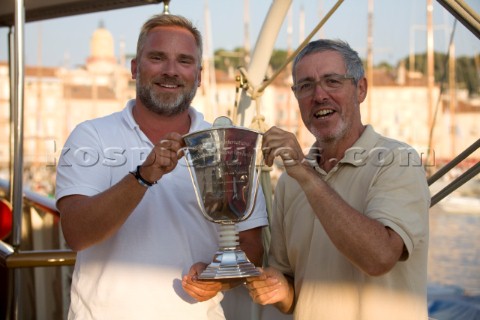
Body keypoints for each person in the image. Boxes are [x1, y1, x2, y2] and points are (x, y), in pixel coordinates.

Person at [55, 14, 268, 320]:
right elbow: (75, 233)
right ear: (134, 68)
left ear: (199, 75)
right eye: (157, 58)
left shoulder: (227, 145)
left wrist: (218, 278)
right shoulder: (91, 136)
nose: (170, 71)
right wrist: (143, 176)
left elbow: (251, 245)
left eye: (184, 61)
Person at [245, 39, 430, 320]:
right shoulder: (289, 183)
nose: (319, 95)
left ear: (361, 89)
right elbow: (292, 292)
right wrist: (279, 291)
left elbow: (379, 257)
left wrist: (304, 174)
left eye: (332, 81)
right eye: (305, 86)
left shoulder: (398, 161)